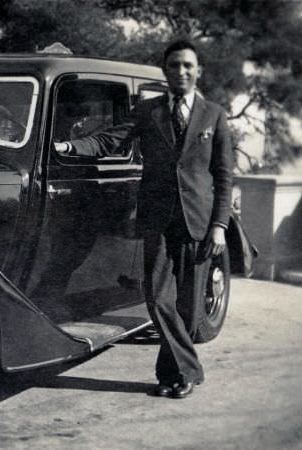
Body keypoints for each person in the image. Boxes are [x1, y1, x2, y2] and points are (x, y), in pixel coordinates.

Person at [55, 40, 233, 399]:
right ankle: (190, 368)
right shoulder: (148, 111)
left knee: (187, 305)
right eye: (173, 66)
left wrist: (220, 225)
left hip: (198, 220)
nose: (180, 72)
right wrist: (70, 147)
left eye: (187, 66)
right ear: (165, 71)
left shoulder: (215, 115)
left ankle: (172, 375)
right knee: (157, 297)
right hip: (158, 219)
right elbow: (109, 139)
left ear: (198, 71)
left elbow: (225, 175)